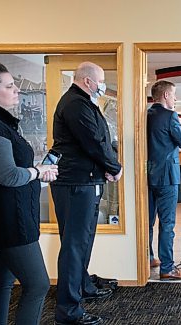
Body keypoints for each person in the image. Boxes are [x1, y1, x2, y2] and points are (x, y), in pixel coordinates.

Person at [51, 62, 122, 325]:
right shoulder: (75, 104)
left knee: (83, 242)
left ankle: (83, 287)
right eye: (101, 81)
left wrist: (105, 167)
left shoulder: (83, 102)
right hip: (75, 184)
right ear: (89, 81)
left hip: (86, 181)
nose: (103, 86)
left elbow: (99, 141)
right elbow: (93, 142)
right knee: (73, 247)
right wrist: (114, 167)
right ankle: (68, 311)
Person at [0, 61, 58, 325]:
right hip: (11, 223)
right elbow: (7, 175)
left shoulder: (4, 124)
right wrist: (37, 171)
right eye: (9, 86)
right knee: (38, 285)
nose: (17, 90)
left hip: (9, 217)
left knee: (1, 284)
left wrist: (39, 175)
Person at [147, 80, 181, 280]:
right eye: (173, 95)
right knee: (167, 223)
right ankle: (167, 268)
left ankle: (148, 257)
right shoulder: (170, 116)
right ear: (165, 95)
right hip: (167, 177)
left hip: (147, 175)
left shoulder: (145, 115)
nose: (175, 98)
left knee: (146, 222)